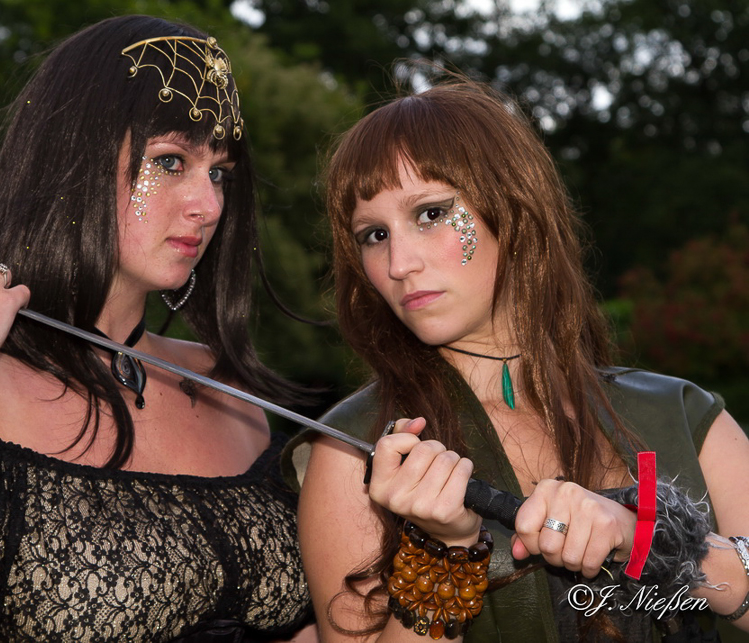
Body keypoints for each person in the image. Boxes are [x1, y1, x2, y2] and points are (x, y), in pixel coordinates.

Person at [0, 15, 316, 642]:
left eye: (218, 173)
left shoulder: (227, 391)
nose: (208, 205)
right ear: (74, 164)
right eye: (170, 161)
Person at [289, 73, 749, 641]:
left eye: (430, 214)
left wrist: (645, 538)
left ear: (513, 209)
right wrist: (442, 555)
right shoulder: (351, 450)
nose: (399, 263)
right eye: (374, 235)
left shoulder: (680, 413)